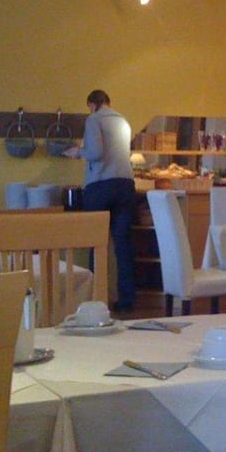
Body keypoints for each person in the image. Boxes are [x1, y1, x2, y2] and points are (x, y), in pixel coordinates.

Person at [64, 90, 137, 312]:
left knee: (96, 242)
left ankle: (96, 299)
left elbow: (95, 153)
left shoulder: (94, 119)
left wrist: (77, 152)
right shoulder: (122, 120)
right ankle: (127, 299)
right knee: (123, 244)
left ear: (92, 104)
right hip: (126, 185)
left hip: (101, 186)